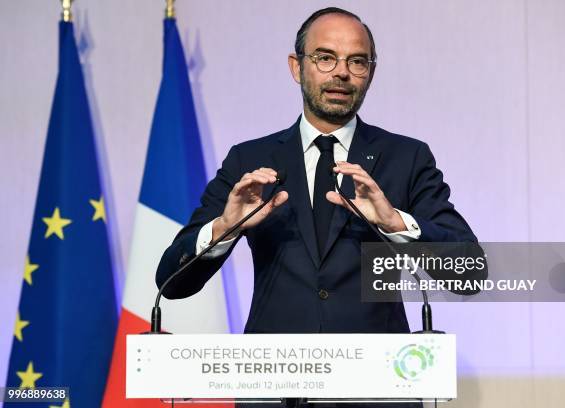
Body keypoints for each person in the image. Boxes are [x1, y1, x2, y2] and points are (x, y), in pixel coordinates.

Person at [156, 1, 477, 364]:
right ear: (297, 67)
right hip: (275, 382)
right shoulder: (249, 160)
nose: (341, 73)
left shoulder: (406, 158)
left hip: (377, 383)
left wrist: (395, 223)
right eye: (325, 58)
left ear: (370, 73)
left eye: (357, 61)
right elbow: (172, 281)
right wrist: (225, 228)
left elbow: (470, 273)